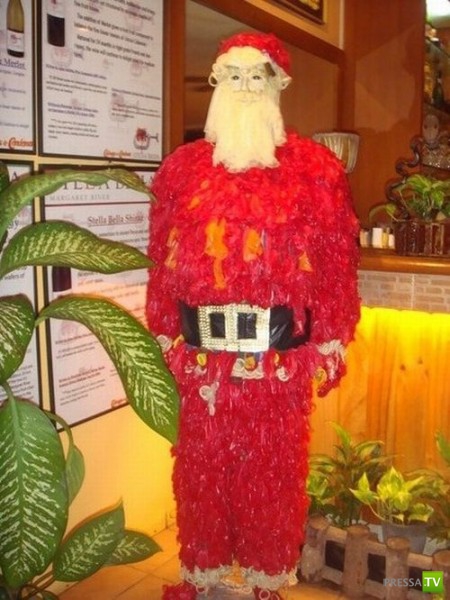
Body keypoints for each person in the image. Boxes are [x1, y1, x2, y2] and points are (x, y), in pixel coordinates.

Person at [146, 32, 360, 600]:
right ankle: (204, 571)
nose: (245, 87)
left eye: (257, 76)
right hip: (202, 359)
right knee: (201, 468)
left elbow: (337, 259)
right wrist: (161, 325)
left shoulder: (315, 170)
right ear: (216, 83)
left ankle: (266, 578)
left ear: (278, 85)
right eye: (233, 76)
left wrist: (333, 333)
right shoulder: (182, 170)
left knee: (271, 471)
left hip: (276, 359)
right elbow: (161, 254)